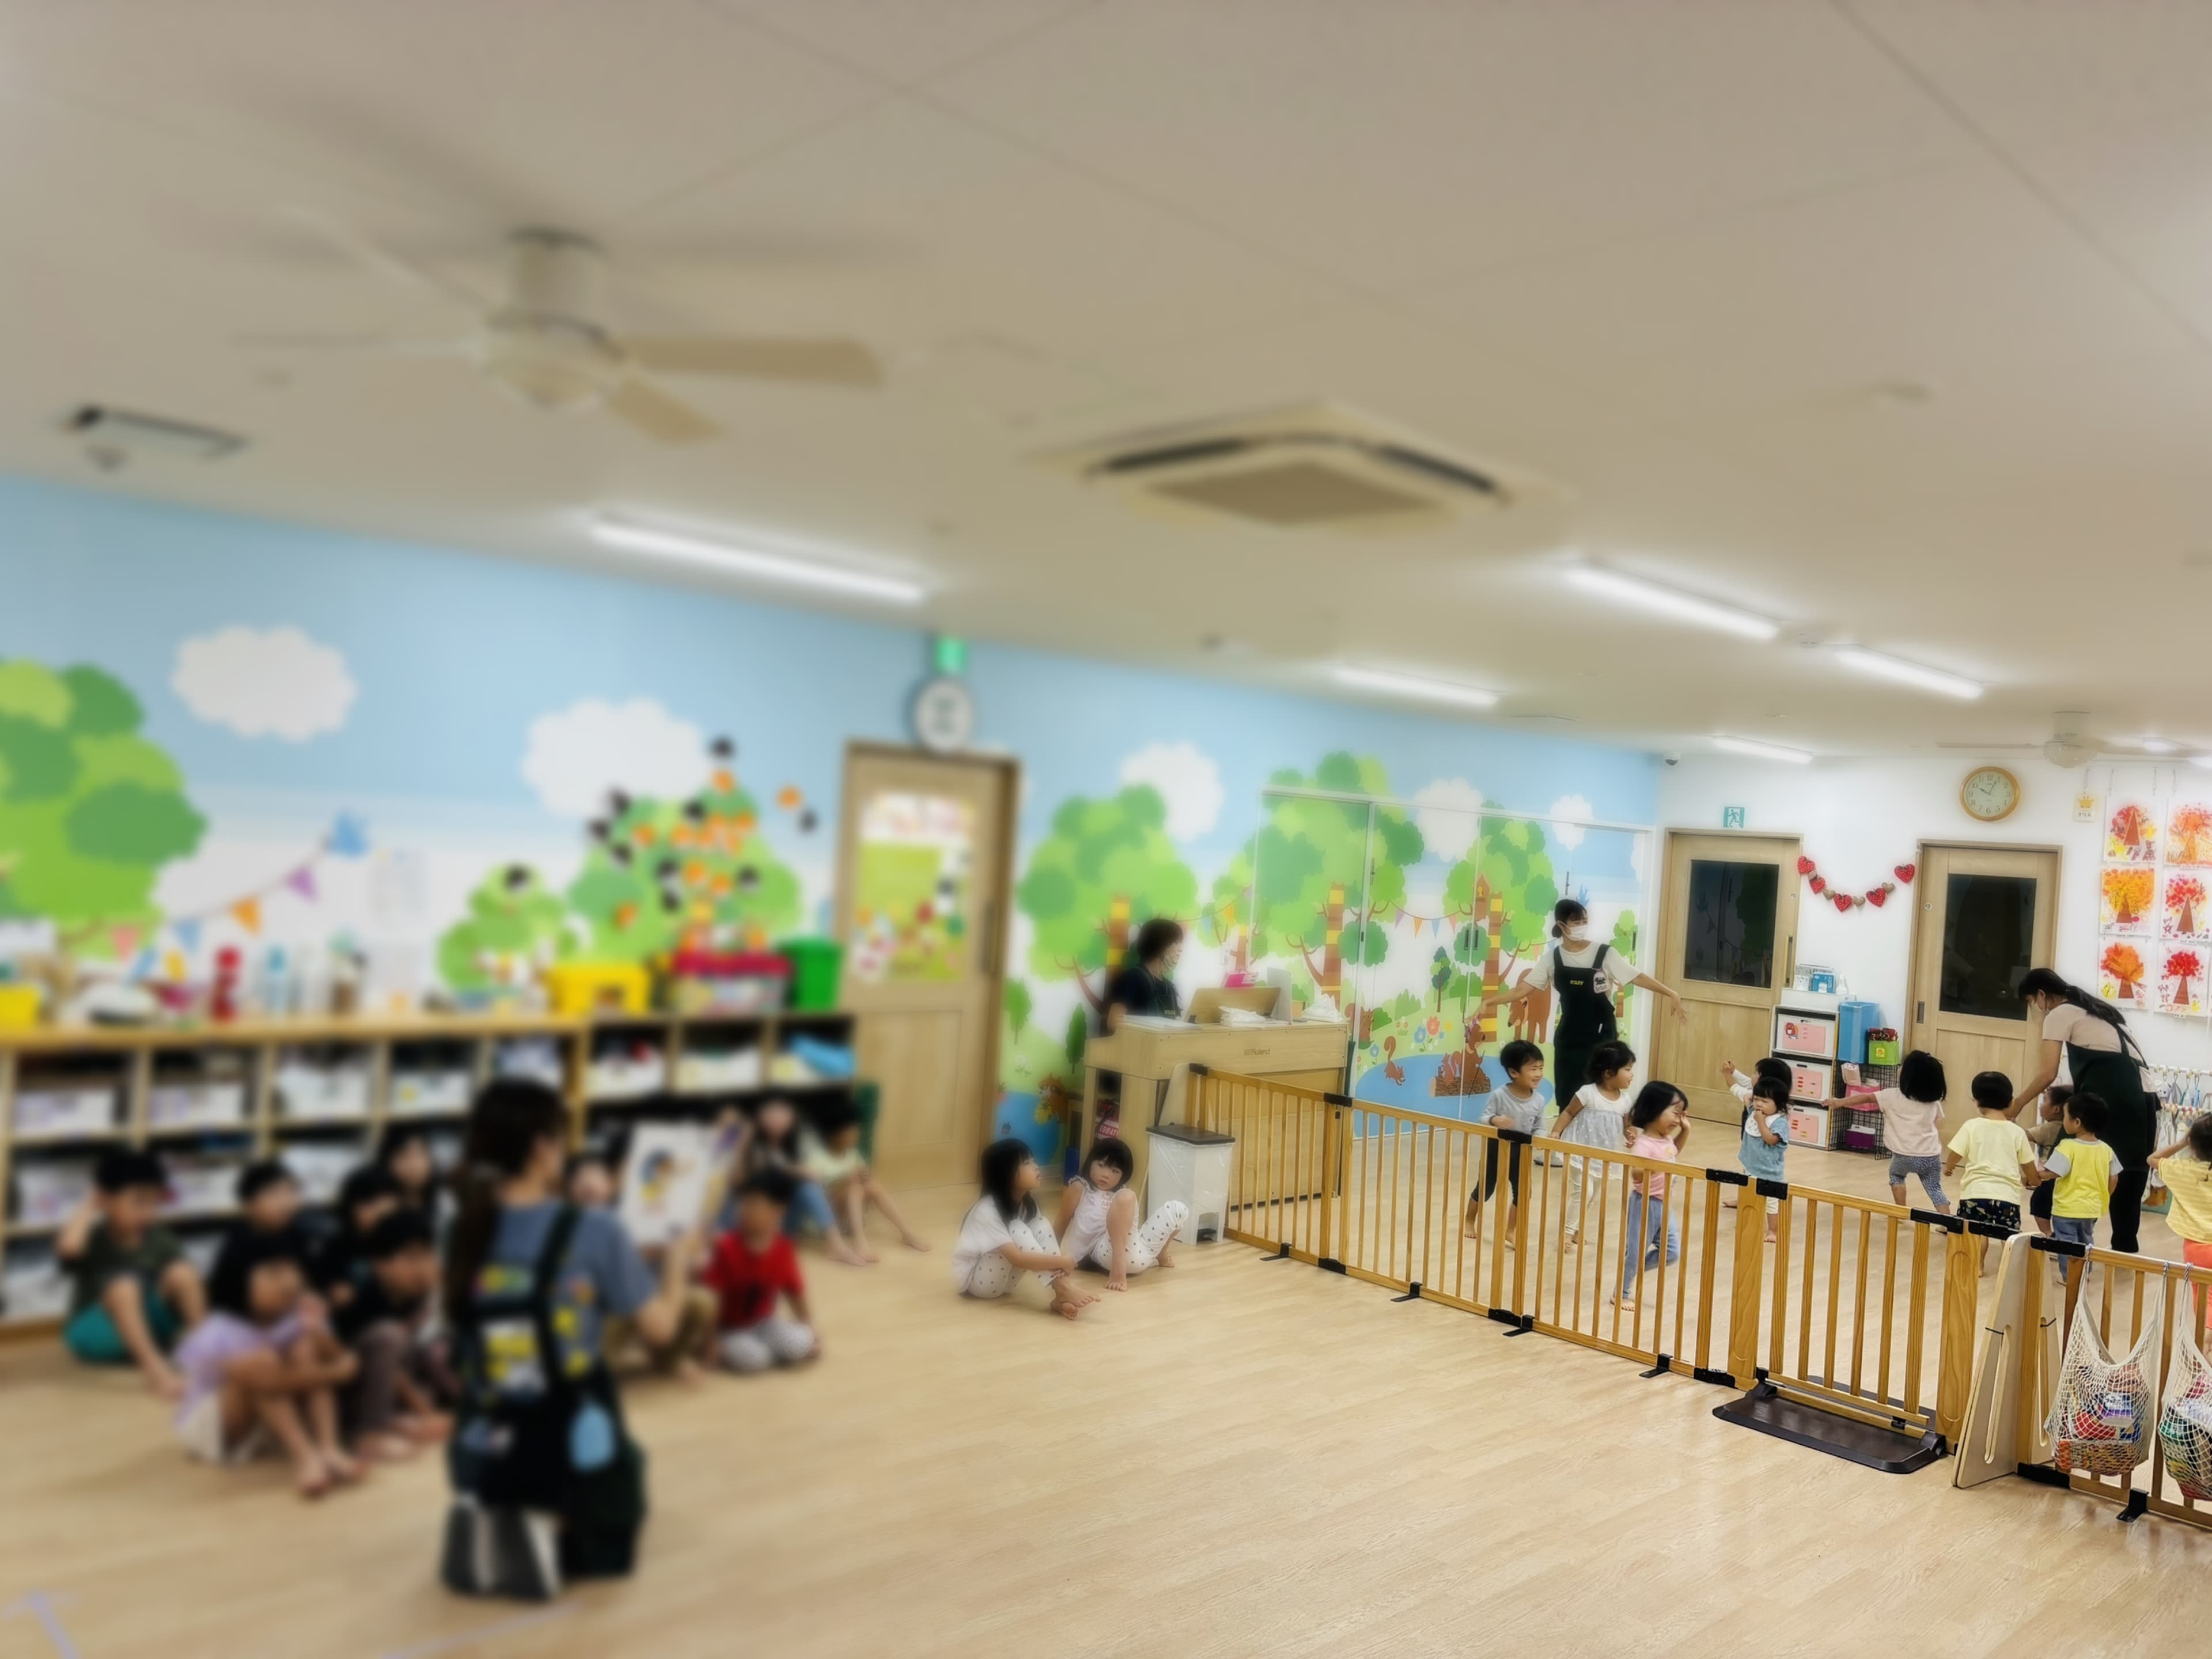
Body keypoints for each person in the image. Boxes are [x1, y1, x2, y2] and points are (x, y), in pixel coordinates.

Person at [442, 1080, 705, 1599]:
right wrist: (677, 1262)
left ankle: (506, 1504)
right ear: (543, 1148)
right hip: (567, 1420)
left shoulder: (462, 1228)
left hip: (485, 1422)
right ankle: (559, 1521)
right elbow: (662, 1331)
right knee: (625, 1492)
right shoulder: (595, 1229)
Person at [171, 1229, 361, 1498]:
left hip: (263, 1419)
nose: (289, 1281)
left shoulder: (296, 1316)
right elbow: (270, 1380)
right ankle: (305, 1457)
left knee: (304, 1345)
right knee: (263, 1361)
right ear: (238, 1280)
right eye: (273, 1272)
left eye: (292, 1269)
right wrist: (335, 1374)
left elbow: (340, 1357)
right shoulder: (220, 1330)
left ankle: (328, 1447)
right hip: (213, 1426)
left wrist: (317, 1331)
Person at [1477, 900, 1687, 1135]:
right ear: (1562, 925)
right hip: (1569, 1034)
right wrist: (1489, 1002)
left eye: (1584, 921)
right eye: (1576, 922)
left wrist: (1671, 993)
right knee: (1567, 1091)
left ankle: (1600, 1140)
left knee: (1600, 1090)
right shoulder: (1553, 958)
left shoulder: (1605, 954)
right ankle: (1563, 1141)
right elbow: (1522, 990)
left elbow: (1636, 977)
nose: (1582, 926)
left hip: (1601, 1034)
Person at [2011, 969, 2157, 1252]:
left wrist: (2017, 1104)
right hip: (2145, 1098)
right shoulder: (2097, 1010)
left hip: (2111, 1093)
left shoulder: (2059, 1014)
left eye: (2032, 1002)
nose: (2035, 1009)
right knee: (2131, 1171)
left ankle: (2060, 1237)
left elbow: (2048, 1073)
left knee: (2066, 1157)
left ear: (2041, 995)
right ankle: (2125, 1250)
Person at [58, 1148, 204, 1396]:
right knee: (124, 1285)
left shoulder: (159, 1237)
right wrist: (90, 1204)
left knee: (183, 1272)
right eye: (139, 1202)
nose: (148, 1212)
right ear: (107, 1201)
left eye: (154, 1203)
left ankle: (210, 1353)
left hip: (150, 1330)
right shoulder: (95, 1237)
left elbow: (183, 1284)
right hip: (97, 1333)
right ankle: (157, 1373)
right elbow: (69, 1248)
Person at [569, 1145, 718, 1381]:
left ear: (613, 1184)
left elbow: (687, 1266)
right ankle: (591, 1369)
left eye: (597, 1174)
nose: (589, 1182)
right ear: (567, 1187)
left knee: (701, 1301)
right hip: (597, 1314)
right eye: (580, 1176)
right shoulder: (566, 1222)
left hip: (641, 1305)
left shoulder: (635, 1215)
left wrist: (681, 1254)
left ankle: (669, 1360)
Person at [336, 1207, 454, 1459]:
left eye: (427, 1255)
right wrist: (425, 1411)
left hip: (401, 1389)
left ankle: (399, 1421)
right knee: (388, 1336)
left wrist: (440, 1292)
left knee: (438, 1349)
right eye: (411, 1258)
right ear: (380, 1265)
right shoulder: (367, 1302)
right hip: (358, 1393)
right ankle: (369, 1436)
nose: (422, 1267)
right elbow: (389, 1369)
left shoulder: (423, 1295)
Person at [952, 1139, 1096, 1320]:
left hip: (1007, 1284)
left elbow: (1033, 1246)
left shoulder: (1028, 1204)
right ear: (1006, 1173)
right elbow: (1017, 1258)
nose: (1036, 1167)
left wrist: (1061, 1261)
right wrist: (1062, 1261)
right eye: (1027, 1163)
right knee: (1016, 1227)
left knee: (1041, 1224)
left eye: (1033, 1161)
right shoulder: (987, 1210)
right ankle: (1064, 1288)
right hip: (979, 1285)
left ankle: (1061, 1292)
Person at [702, 1168, 819, 1373]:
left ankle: (766, 1348)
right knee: (756, 1360)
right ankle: (752, 1350)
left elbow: (795, 1293)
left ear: (777, 1211)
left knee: (802, 1342)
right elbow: (713, 1298)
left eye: (753, 1205)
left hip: (763, 1324)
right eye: (743, 1204)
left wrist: (810, 1328)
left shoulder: (784, 1249)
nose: (745, 1211)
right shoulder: (727, 1247)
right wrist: (710, 1341)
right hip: (729, 1328)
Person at [734, 1097, 861, 1266]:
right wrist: (792, 1170)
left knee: (808, 1187)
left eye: (783, 1118)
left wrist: (799, 1172)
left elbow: (805, 1177)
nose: (777, 1124)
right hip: (755, 1221)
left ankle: (836, 1246)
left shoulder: (792, 1147)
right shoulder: (754, 1148)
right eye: (772, 1118)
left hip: (783, 1221)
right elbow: (745, 1176)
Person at [802, 1097, 929, 1260]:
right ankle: (860, 1243)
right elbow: (814, 1200)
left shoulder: (852, 1154)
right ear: (833, 1135)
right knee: (854, 1188)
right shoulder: (816, 1160)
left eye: (857, 1129)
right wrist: (845, 1182)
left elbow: (865, 1183)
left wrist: (865, 1176)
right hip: (827, 1226)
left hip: (848, 1222)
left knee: (872, 1184)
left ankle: (907, 1233)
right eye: (852, 1130)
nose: (857, 1134)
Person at [1053, 1139, 1187, 1290]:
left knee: (1179, 1209)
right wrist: (1051, 1258)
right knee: (1126, 1196)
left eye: (1115, 1171)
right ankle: (1118, 1268)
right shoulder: (1080, 1187)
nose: (1106, 1175)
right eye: (1101, 1165)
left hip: (1137, 1255)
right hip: (1099, 1254)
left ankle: (1161, 1254)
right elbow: (1061, 1222)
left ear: (1123, 1175)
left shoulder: (1120, 1192)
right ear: (1090, 1162)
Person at [1830, 1050, 1949, 1213]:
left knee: (1896, 1177)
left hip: (1903, 1156)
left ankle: (1900, 1212)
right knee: (1935, 1188)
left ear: (1907, 1076)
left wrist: (1840, 1102)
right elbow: (1937, 1122)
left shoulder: (1891, 1096)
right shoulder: (1934, 1103)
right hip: (1931, 1156)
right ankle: (1947, 1221)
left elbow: (1866, 1098)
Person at [1944, 1071, 2039, 1272]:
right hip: (2007, 1197)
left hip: (1975, 1194)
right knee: (2008, 1236)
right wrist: (2033, 1180)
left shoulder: (1972, 1126)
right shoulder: (2017, 1132)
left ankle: (1978, 1266)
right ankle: (2010, 1271)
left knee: (1977, 1233)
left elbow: (1956, 1153)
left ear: (1976, 1101)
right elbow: (2029, 1165)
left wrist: (1949, 1167)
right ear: (2011, 1101)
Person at [1552, 1040, 1637, 1243]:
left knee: (1593, 1195)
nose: (1632, 1074)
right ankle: (1567, 1233)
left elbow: (1627, 1125)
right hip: (1580, 1151)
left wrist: (1631, 1134)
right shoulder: (1588, 1093)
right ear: (1609, 1073)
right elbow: (1569, 1112)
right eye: (1627, 1069)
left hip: (1604, 1156)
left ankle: (1577, 1229)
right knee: (1584, 1191)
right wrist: (1556, 1132)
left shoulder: (1625, 1100)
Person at [1615, 1082, 1688, 1312]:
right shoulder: (1644, 1143)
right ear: (1655, 1109)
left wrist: (1685, 1131)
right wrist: (1654, 1166)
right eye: (1675, 1113)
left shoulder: (1665, 1139)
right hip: (1644, 1204)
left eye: (1681, 1114)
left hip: (1664, 1205)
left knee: (1672, 1253)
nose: (1678, 1120)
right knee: (1635, 1252)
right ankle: (1621, 1292)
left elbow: (1674, 1152)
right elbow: (1637, 1173)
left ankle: (1631, 1272)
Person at [208, 1158, 310, 1316]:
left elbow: (308, 1283)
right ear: (248, 1204)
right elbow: (226, 1300)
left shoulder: (297, 1235)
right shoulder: (238, 1245)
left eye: (290, 1192)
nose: (286, 1202)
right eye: (273, 1194)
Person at [1468, 1040, 1546, 1241]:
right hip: (1497, 1149)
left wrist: (1541, 1138)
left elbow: (1540, 1126)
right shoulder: (1500, 1095)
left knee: (1523, 1192)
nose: (1539, 1074)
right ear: (1514, 1072)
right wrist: (1495, 1120)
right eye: (1533, 1069)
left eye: (1541, 1068)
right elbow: (1484, 1118)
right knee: (1486, 1188)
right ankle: (1469, 1220)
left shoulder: (1539, 1100)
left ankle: (1510, 1231)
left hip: (1522, 1152)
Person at [312, 1165, 403, 1309]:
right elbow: (324, 1285)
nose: (379, 1210)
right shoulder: (336, 1247)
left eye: (385, 1202)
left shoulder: (405, 1245)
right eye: (370, 1203)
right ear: (351, 1208)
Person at [2150, 1117, 2212, 1321]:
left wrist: (2182, 1142)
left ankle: (2205, 1331)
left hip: (2196, 1248)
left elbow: (2153, 1159)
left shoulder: (2182, 1170)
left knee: (2201, 1293)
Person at [2042, 1092, 2118, 1248]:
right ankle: (2085, 1265)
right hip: (2091, 1210)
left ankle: (2069, 1266)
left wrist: (2034, 1176)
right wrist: (2103, 1196)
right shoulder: (2107, 1150)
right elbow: (2114, 1178)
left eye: (2065, 1116)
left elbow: (2054, 1172)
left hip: (2066, 1209)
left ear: (2077, 1122)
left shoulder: (2067, 1146)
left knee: (2067, 1246)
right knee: (2086, 1244)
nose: (2063, 1120)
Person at [1720, 1058, 1793, 1215]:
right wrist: (1734, 1072)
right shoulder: (1762, 1098)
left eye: (1755, 1073)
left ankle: (1750, 1204)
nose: (1751, 1076)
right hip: (1751, 1146)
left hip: (1765, 1156)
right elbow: (1747, 1082)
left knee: (1764, 1188)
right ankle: (1743, 1200)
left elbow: (1737, 1088)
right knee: (1748, 1172)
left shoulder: (1767, 1108)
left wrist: (1728, 1074)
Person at [1104, 917, 1185, 1031]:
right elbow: (1113, 1022)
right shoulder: (1134, 978)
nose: (1181, 949)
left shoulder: (1169, 987)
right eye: (1176, 943)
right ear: (1160, 946)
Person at [1738, 1075, 1789, 1243]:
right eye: (1757, 1099)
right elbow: (1746, 1098)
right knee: (1749, 1196)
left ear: (1779, 1104)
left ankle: (1773, 1230)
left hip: (1769, 1171)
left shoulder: (1779, 1122)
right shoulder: (1753, 1111)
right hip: (1750, 1165)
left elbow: (1770, 1140)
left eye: (1765, 1101)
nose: (1759, 1104)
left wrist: (1761, 1122)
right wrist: (1751, 1097)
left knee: (1771, 1203)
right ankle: (1748, 1224)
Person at [2025, 1083, 2072, 1238]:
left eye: (2045, 1100)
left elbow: (2023, 1136)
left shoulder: (2049, 1128)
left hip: (2049, 1178)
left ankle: (2047, 1233)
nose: (2041, 1106)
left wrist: (2009, 1123)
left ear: (2056, 1109)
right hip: (2066, 1178)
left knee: (2039, 1206)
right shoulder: (2071, 1130)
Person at [377, 1123, 444, 1223]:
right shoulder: (380, 1207)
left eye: (420, 1154)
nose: (414, 1165)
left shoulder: (444, 1204)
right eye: (404, 1155)